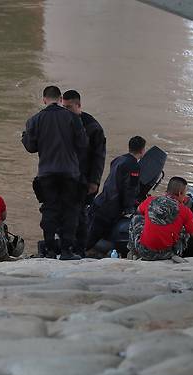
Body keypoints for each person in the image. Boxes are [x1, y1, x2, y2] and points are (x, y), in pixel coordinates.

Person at [22, 85, 88, 260]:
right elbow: (83, 144)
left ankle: (50, 250)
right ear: (60, 99)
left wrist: (24, 137)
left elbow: (30, 147)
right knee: (70, 210)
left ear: (44, 99)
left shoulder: (34, 120)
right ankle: (67, 251)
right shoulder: (72, 118)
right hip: (70, 172)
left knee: (49, 210)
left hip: (47, 173)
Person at [62, 90, 107, 256]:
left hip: (84, 179)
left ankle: (79, 249)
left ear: (78, 105)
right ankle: (65, 246)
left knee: (80, 215)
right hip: (65, 177)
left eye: (68, 107)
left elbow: (99, 157)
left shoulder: (93, 127)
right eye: (63, 107)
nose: (65, 110)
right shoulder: (63, 123)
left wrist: (94, 181)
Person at [86, 136, 146, 251]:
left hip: (101, 201)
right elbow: (130, 190)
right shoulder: (134, 166)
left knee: (88, 233)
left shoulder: (119, 159)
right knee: (89, 240)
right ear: (142, 150)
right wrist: (130, 209)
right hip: (110, 208)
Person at [128, 176, 193, 261]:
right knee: (185, 228)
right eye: (184, 193)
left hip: (145, 252)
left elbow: (138, 211)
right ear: (179, 193)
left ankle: (133, 252)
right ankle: (177, 253)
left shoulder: (150, 200)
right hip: (168, 254)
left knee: (136, 218)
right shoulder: (185, 211)